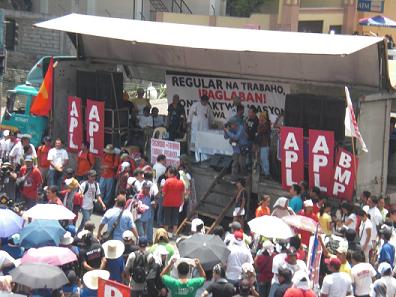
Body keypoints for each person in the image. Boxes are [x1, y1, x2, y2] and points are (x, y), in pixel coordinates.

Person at [162, 166, 185, 239]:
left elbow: (163, 193)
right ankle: (174, 234)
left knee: (167, 218)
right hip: (177, 203)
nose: (167, 173)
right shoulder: (181, 182)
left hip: (167, 202)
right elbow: (182, 193)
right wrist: (182, 201)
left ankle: (166, 234)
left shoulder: (167, 181)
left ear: (172, 174)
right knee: (175, 218)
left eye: (168, 172)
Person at [188, 95, 213, 161]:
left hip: (204, 126)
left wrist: (211, 124)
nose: (205, 103)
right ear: (201, 100)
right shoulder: (195, 105)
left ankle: (203, 153)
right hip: (196, 126)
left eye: (206, 102)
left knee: (204, 139)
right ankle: (194, 153)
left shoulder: (208, 107)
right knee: (195, 138)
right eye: (204, 101)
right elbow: (190, 115)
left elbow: (210, 117)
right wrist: (189, 123)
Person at [256, 111, 271, 178]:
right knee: (261, 158)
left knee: (264, 159)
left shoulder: (266, 124)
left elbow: (261, 130)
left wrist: (260, 124)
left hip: (265, 144)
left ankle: (267, 173)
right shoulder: (262, 124)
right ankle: (264, 171)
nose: (259, 118)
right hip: (261, 144)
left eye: (261, 116)